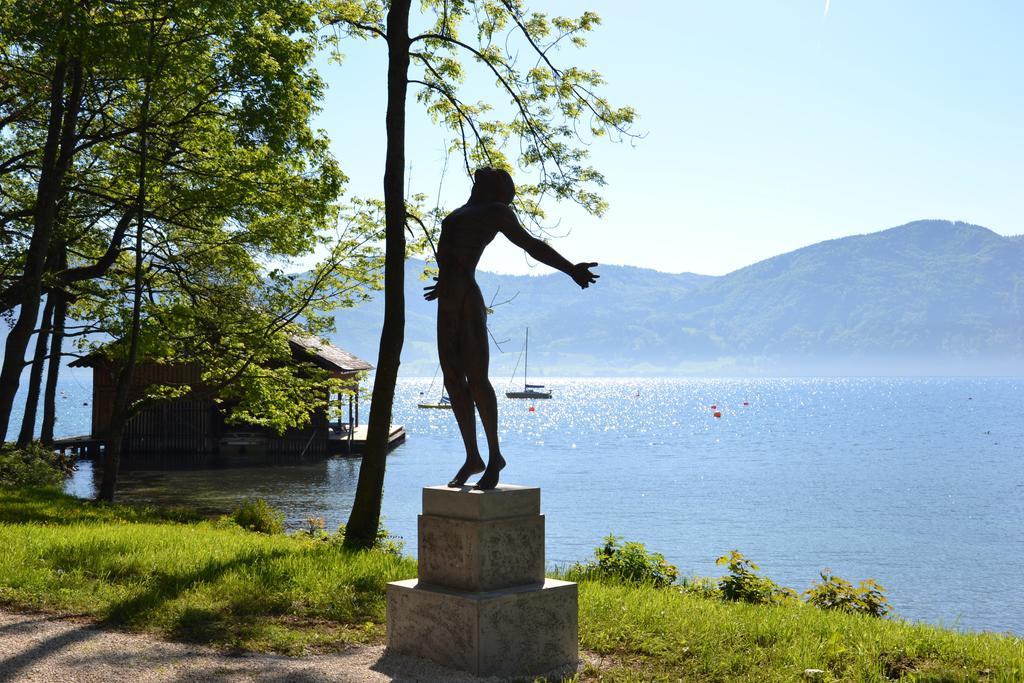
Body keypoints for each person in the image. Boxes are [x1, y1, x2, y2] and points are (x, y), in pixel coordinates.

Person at [424, 168, 598, 490]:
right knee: (452, 380)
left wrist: (570, 268)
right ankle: (472, 456)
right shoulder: (458, 215)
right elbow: (450, 260)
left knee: (476, 379)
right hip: (447, 301)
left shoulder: (495, 212)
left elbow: (531, 245)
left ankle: (494, 456)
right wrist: (443, 282)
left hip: (466, 301)